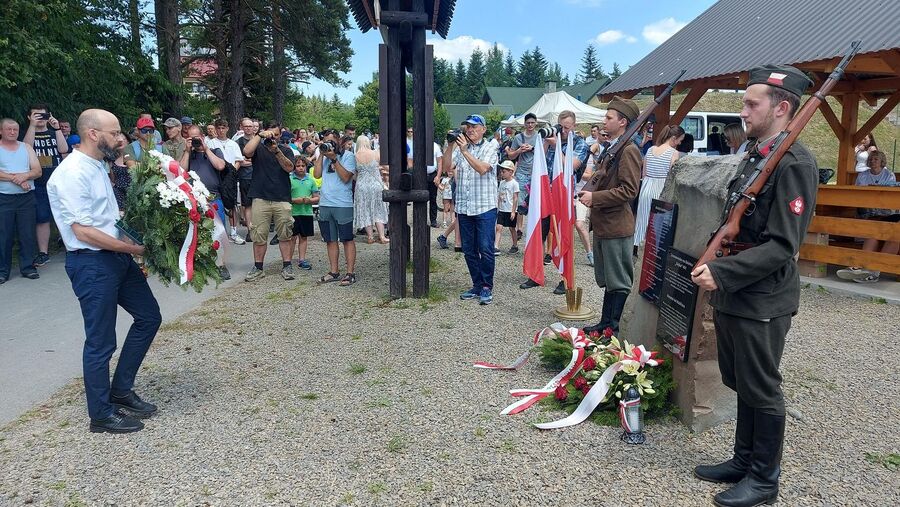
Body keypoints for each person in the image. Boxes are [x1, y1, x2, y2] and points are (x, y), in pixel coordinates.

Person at [689, 65, 818, 507]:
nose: (741, 111)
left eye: (751, 104)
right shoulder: (756, 155)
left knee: (762, 387)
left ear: (782, 108)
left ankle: (764, 479)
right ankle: (743, 460)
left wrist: (723, 273)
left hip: (763, 296)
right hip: (737, 292)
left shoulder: (795, 163)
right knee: (739, 378)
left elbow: (783, 244)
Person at [47, 108, 162, 433]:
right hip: (92, 262)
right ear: (93, 134)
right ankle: (101, 414)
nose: (121, 138)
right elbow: (83, 230)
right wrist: (132, 248)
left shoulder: (99, 164)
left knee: (149, 316)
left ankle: (121, 389)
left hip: (116, 257)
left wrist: (133, 242)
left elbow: (108, 216)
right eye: (114, 133)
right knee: (100, 341)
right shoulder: (71, 173)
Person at [579, 97, 642, 334]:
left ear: (623, 122)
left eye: (609, 117)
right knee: (609, 280)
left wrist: (595, 198)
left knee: (619, 282)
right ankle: (606, 323)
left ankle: (614, 329)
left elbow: (629, 190)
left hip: (617, 225)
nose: (604, 121)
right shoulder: (614, 148)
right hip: (606, 224)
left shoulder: (629, 150)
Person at [521, 110, 589, 295]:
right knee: (540, 233)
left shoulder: (580, 144)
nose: (564, 130)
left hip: (563, 197)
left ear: (574, 126)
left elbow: (571, 165)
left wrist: (557, 146)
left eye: (567, 127)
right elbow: (539, 161)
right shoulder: (552, 139)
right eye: (561, 127)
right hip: (546, 194)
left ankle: (564, 278)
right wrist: (545, 141)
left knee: (563, 235)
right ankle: (535, 274)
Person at [443, 114, 499, 305]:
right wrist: (450, 145)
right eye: (468, 127)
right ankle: (476, 284)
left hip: (485, 206)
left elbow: (483, 168)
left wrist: (465, 151)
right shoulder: (460, 147)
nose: (470, 130)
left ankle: (486, 286)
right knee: (468, 249)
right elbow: (447, 167)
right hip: (465, 206)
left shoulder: (491, 146)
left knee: (485, 247)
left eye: (475, 127)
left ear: (484, 129)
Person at [241, 121, 297, 281]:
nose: (273, 138)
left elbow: (289, 168)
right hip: (260, 197)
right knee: (259, 234)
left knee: (285, 234)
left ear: (280, 135)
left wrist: (276, 151)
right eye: (271, 134)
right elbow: (246, 151)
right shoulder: (258, 147)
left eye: (276, 135)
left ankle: (287, 265)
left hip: (282, 197)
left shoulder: (286, 150)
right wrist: (259, 135)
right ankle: (258, 267)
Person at [836, 150, 898, 283]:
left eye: (876, 159)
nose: (872, 161)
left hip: (886, 211)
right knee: (875, 230)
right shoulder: (863, 175)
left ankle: (873, 270)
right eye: (871, 159)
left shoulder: (888, 174)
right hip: (879, 214)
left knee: (895, 234)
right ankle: (860, 266)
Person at [23, 104, 69, 267]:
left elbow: (63, 149)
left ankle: (71, 247)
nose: (40, 119)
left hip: (57, 180)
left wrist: (57, 128)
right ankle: (43, 252)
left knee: (65, 215)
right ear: (29, 117)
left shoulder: (54, 133)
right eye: (36, 115)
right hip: (38, 182)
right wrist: (32, 126)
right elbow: (26, 148)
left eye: (43, 115)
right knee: (42, 217)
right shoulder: (28, 134)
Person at [185, 125, 231, 280]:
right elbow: (181, 171)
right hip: (194, 201)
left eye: (196, 138)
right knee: (198, 234)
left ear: (203, 137)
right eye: (191, 138)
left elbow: (220, 165)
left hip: (214, 198)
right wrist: (186, 151)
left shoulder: (215, 151)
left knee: (219, 233)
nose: (195, 141)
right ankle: (203, 266)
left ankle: (221, 265)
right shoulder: (188, 155)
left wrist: (206, 149)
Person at [0, 118, 42, 283]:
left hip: (26, 198)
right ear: (1, 131)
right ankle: (3, 271)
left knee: (27, 234)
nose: (12, 132)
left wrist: (25, 176)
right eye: (8, 129)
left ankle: (27, 267)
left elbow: (37, 171)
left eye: (15, 130)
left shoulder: (26, 148)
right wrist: (17, 179)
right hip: (4, 198)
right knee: (4, 236)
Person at [314, 132, 358, 285]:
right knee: (330, 240)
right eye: (326, 141)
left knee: (346, 238)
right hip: (326, 202)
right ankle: (334, 271)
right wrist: (321, 154)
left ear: (339, 141)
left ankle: (350, 272)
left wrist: (334, 159)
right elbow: (317, 174)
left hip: (342, 203)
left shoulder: (348, 156)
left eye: (332, 141)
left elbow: (346, 177)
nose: (329, 144)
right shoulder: (324, 157)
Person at [634, 125, 685, 248]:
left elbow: (644, 172)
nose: (680, 143)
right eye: (680, 140)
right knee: (657, 224)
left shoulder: (651, 149)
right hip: (660, 188)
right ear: (674, 138)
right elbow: (671, 176)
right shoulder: (674, 153)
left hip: (646, 188)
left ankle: (637, 246)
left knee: (642, 220)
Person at [507, 113, 539, 237]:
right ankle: (519, 228)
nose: (530, 125)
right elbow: (511, 156)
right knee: (520, 202)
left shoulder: (539, 137)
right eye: (528, 123)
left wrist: (532, 148)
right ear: (524, 124)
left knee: (534, 201)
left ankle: (533, 227)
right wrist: (519, 150)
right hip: (521, 172)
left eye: (532, 122)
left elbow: (545, 153)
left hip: (535, 172)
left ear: (536, 123)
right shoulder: (518, 138)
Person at [353, 135, 389, 245]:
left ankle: (370, 237)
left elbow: (354, 174)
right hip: (375, 185)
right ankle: (382, 236)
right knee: (378, 209)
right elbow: (386, 167)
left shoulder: (355, 156)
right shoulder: (375, 153)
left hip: (362, 186)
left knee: (365, 210)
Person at [289, 156, 319, 270]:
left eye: (303, 166)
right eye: (298, 166)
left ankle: (302, 259)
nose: (300, 168)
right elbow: (285, 196)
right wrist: (294, 200)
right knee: (292, 237)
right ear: (294, 167)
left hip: (306, 212)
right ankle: (288, 260)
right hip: (293, 212)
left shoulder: (310, 180)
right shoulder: (290, 179)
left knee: (304, 237)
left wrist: (310, 200)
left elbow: (316, 197)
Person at [236, 117, 258, 243]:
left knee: (260, 204)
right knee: (248, 205)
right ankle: (250, 231)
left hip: (259, 177)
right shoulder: (238, 143)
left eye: (251, 126)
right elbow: (240, 161)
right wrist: (251, 161)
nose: (249, 128)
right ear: (242, 127)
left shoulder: (259, 141)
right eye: (246, 126)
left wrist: (249, 161)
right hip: (245, 177)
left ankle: (259, 229)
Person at [494, 160, 519, 254]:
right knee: (498, 227)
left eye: (504, 172)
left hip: (510, 210)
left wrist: (513, 211)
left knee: (512, 228)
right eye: (501, 171)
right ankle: (496, 246)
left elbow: (515, 198)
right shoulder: (502, 183)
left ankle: (515, 245)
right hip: (502, 209)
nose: (502, 173)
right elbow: (499, 194)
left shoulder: (514, 183)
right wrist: (498, 206)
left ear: (511, 172)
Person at [426, 139, 443, 228]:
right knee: (421, 197)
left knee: (433, 198)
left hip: (432, 174)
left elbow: (440, 162)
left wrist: (438, 176)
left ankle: (433, 220)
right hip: (420, 174)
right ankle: (421, 218)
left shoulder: (435, 146)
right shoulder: (416, 144)